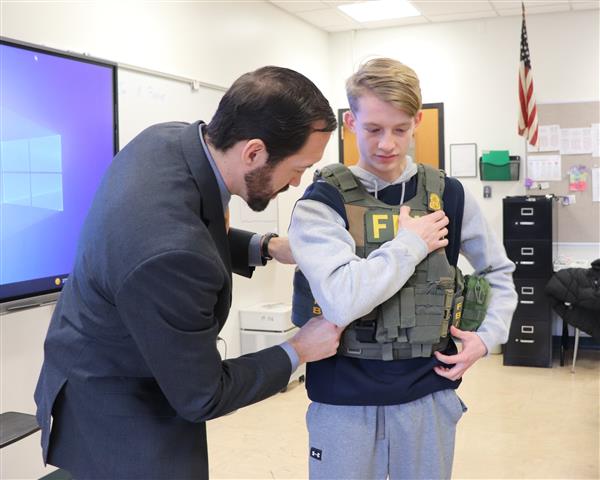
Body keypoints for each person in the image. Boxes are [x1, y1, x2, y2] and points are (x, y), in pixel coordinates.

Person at [34, 66, 343, 479]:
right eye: (297, 168)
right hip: (119, 415)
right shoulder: (171, 253)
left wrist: (266, 246)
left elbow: (193, 223)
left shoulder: (169, 140)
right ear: (253, 152)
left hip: (95, 356)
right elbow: (204, 395)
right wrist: (299, 348)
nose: (297, 182)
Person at [289, 58, 518, 479]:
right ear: (351, 123)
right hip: (343, 400)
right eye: (373, 128)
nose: (387, 144)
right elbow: (341, 300)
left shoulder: (448, 195)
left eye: (400, 129)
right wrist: (411, 243)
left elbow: (498, 273)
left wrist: (486, 339)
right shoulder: (323, 201)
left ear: (417, 121)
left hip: (425, 394)